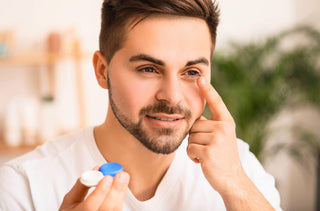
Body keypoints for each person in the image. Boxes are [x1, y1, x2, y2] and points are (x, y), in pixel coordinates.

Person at [0, 0, 282, 210]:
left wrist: (236, 186)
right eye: (148, 69)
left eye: (192, 72)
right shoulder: (23, 187)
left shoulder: (241, 166)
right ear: (102, 70)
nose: (172, 97)